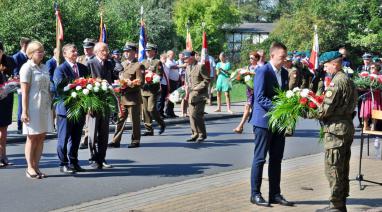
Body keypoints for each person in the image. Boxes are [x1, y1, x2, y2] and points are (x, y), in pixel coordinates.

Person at [249, 42, 293, 207]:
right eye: (282, 57)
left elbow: (284, 94)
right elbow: (259, 97)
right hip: (263, 122)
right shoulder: (263, 71)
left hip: (278, 122)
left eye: (285, 57)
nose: (284, 60)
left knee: (277, 159)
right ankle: (255, 194)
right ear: (272, 55)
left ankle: (275, 194)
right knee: (260, 159)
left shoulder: (285, 72)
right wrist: (280, 109)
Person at [314, 51, 357, 212]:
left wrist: (306, 110)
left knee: (333, 168)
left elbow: (324, 111)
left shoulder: (336, 82)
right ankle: (340, 203)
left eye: (326, 66)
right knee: (343, 167)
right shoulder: (348, 80)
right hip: (346, 127)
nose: (325, 69)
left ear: (335, 64)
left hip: (335, 131)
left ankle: (336, 206)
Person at [20, 41, 54, 179]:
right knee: (32, 137)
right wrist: (24, 111)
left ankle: (37, 167)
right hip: (33, 107)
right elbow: (25, 92)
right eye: (39, 51)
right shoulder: (27, 68)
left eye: (42, 51)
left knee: (41, 137)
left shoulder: (44, 67)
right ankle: (29, 168)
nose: (42, 53)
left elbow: (47, 88)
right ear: (31, 53)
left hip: (45, 106)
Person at [53, 44, 89, 174]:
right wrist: (74, 85)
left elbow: (89, 85)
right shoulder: (60, 69)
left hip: (79, 108)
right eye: (72, 51)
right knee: (63, 138)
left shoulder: (83, 68)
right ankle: (63, 163)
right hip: (65, 110)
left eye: (76, 50)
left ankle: (74, 162)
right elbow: (59, 88)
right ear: (65, 54)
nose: (75, 53)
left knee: (76, 138)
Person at [108, 42, 144, 148]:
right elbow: (118, 77)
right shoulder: (121, 64)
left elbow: (141, 82)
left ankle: (135, 140)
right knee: (120, 119)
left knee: (134, 121)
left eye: (129, 51)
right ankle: (115, 140)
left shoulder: (138, 65)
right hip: (122, 97)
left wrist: (129, 83)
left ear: (134, 52)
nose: (126, 53)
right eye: (125, 51)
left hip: (133, 98)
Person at [86, 42, 113, 169]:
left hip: (105, 103)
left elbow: (113, 79)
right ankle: (93, 158)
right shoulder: (90, 63)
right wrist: (89, 104)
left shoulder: (109, 63)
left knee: (104, 133)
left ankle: (102, 158)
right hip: (93, 103)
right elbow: (85, 85)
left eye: (107, 50)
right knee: (92, 133)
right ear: (96, 52)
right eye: (103, 50)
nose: (106, 52)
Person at [184, 50, 210, 142]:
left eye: (186, 58)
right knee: (191, 115)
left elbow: (207, 80)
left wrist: (197, 88)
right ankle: (195, 134)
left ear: (191, 57)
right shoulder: (187, 68)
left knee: (197, 115)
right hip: (191, 95)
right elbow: (187, 81)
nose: (185, 60)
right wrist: (185, 90)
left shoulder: (200, 66)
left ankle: (202, 134)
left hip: (200, 95)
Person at [141, 43, 166, 136]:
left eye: (149, 50)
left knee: (151, 108)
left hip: (152, 89)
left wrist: (151, 80)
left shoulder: (157, 62)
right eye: (146, 50)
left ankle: (161, 123)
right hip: (144, 89)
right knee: (145, 110)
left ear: (154, 52)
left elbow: (159, 76)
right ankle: (149, 129)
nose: (147, 52)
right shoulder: (143, 62)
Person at [233, 51, 259, 134]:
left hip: (256, 90)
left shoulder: (259, 67)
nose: (250, 59)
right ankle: (252, 127)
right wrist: (239, 75)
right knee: (251, 108)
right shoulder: (248, 67)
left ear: (257, 59)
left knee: (249, 108)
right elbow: (241, 77)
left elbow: (259, 74)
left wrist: (249, 73)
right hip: (249, 90)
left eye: (252, 58)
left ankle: (240, 126)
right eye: (250, 58)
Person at [77, 38, 96, 150]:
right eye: (85, 48)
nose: (86, 50)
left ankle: (86, 138)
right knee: (82, 116)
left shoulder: (96, 59)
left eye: (89, 48)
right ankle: (86, 136)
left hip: (92, 91)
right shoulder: (80, 59)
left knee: (89, 115)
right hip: (81, 91)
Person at [0, 41, 16, 167]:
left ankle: (3, 156)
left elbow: (14, 76)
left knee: (4, 130)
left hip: (6, 99)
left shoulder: (9, 61)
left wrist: (13, 82)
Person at [13, 37, 31, 134]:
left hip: (30, 86)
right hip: (21, 86)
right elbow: (15, 74)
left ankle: (26, 125)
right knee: (21, 105)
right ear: (24, 45)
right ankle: (19, 126)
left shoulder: (29, 56)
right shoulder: (16, 57)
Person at [360, 63, 382, 131]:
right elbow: (363, 85)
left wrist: (376, 80)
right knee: (366, 111)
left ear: (377, 69)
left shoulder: (380, 76)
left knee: (375, 111)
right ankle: (365, 126)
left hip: (376, 96)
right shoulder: (367, 76)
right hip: (368, 96)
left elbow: (380, 86)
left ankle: (373, 126)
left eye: (373, 67)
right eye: (371, 68)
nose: (371, 69)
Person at [356, 53, 372, 128]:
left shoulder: (373, 68)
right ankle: (360, 122)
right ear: (363, 60)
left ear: (370, 60)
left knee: (370, 106)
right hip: (360, 90)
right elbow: (356, 78)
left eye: (368, 59)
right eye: (365, 59)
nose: (366, 61)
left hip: (369, 90)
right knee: (360, 105)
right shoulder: (359, 68)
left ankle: (369, 123)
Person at [165, 50, 180, 118]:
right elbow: (174, 67)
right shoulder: (167, 61)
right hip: (170, 81)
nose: (173, 55)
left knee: (174, 97)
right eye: (172, 54)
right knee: (170, 97)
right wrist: (183, 65)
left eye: (174, 54)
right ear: (168, 55)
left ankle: (171, 111)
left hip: (175, 81)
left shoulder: (173, 60)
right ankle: (168, 111)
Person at [157, 53, 169, 118]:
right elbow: (158, 76)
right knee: (160, 100)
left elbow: (167, 76)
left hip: (165, 84)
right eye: (164, 59)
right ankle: (158, 113)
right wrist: (159, 85)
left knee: (163, 99)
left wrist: (168, 85)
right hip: (160, 84)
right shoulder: (159, 66)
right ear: (160, 58)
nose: (165, 60)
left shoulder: (166, 66)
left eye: (166, 59)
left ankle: (161, 112)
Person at [177, 52, 188, 117]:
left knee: (186, 97)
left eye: (183, 56)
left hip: (186, 80)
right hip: (181, 80)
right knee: (183, 97)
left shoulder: (186, 62)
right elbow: (176, 66)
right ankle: (182, 112)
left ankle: (186, 112)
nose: (182, 57)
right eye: (180, 56)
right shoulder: (177, 62)